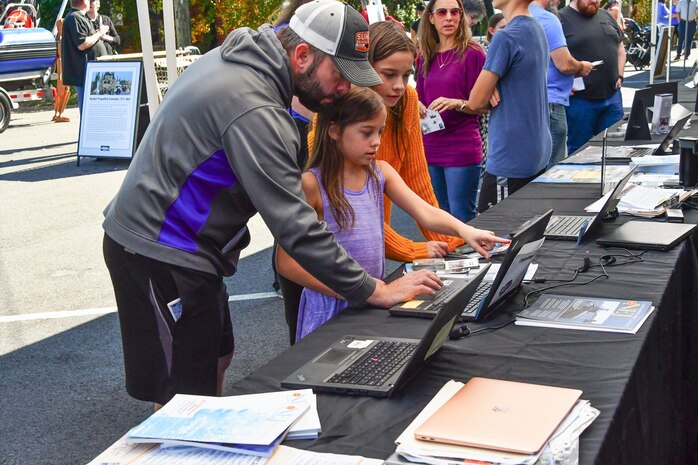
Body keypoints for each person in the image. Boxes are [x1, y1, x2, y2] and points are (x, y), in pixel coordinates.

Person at [102, 0, 442, 407]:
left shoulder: (243, 59)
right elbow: (296, 228)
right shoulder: (255, 106)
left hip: (187, 247)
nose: (345, 89)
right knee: (181, 391)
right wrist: (375, 290)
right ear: (302, 55)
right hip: (157, 248)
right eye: (340, 75)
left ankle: (205, 432)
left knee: (217, 355)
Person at [281, 20, 468, 346]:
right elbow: (352, 220)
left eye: (406, 75)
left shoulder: (406, 105)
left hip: (367, 281)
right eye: (388, 74)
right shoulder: (334, 115)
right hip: (330, 280)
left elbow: (419, 186)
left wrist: (454, 248)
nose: (399, 85)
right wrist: (414, 251)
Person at [276, 87, 507, 341]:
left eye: (380, 132)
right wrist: (354, 289)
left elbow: (425, 212)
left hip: (373, 299)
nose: (376, 141)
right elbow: (286, 263)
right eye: (366, 133)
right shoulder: (311, 185)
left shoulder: (380, 172)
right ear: (334, 131)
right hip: (331, 310)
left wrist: (468, 231)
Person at [466, 0, 551, 213]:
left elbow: (475, 101)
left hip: (511, 154)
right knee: (524, 231)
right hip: (535, 148)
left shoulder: (505, 36)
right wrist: (493, 82)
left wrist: (490, 83)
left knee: (494, 235)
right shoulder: (536, 28)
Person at [416, 0, 486, 223]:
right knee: (439, 216)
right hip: (431, 144)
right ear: (431, 18)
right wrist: (416, 105)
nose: (448, 17)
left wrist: (456, 103)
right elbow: (419, 95)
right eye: (442, 12)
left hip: (462, 146)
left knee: (462, 216)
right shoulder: (425, 55)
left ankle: (471, 259)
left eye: (454, 12)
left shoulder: (474, 54)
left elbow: (485, 105)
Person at [530, 0, 593, 167]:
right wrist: (581, 67)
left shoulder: (517, 18)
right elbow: (564, 64)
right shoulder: (548, 19)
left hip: (529, 104)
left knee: (532, 168)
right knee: (550, 170)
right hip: (551, 104)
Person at [559, 0, 626, 155]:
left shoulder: (607, 16)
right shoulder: (561, 19)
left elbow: (620, 49)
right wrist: (561, 84)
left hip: (612, 97)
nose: (595, 1)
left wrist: (620, 75)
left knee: (615, 150)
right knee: (579, 153)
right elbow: (550, 58)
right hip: (580, 101)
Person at [61, 0, 109, 115]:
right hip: (84, 75)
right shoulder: (74, 18)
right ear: (83, 1)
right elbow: (82, 44)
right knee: (89, 113)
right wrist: (100, 33)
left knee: (95, 112)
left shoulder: (79, 17)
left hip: (90, 74)